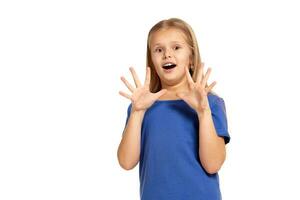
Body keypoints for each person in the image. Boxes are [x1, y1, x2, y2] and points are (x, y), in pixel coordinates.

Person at [117, 17, 231, 200]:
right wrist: (137, 113)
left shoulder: (210, 103)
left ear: (192, 58)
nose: (167, 55)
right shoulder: (141, 106)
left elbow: (213, 164)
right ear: (152, 61)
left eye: (176, 47)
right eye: (159, 49)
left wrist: (203, 112)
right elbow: (126, 162)